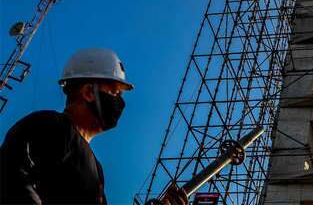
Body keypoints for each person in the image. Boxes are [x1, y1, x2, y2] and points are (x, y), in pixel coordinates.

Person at [0, 48, 187, 205]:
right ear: (89, 92)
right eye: (115, 93)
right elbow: (9, 175)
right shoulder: (51, 126)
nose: (120, 103)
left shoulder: (96, 169)